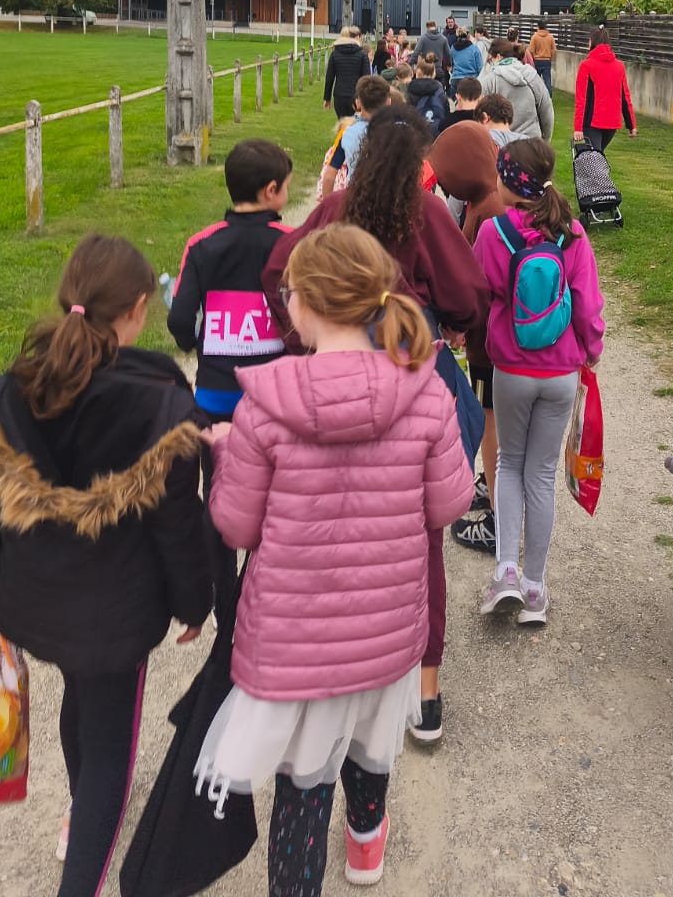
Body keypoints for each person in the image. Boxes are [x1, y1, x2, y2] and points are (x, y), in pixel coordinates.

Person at [199, 223, 472, 896]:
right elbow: (448, 504)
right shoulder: (426, 392)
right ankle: (366, 844)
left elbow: (236, 525)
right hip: (386, 628)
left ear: (303, 303)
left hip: (295, 640)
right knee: (371, 742)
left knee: (302, 781)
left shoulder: (265, 406)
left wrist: (228, 452)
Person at [0, 236, 211, 897]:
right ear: (136, 309)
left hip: (38, 607)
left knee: (81, 697)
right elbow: (178, 523)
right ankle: (85, 843)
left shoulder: (15, 387)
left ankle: (79, 809)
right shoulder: (160, 402)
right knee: (109, 762)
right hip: (115, 622)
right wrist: (195, 602)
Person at [263, 107, 488, 748]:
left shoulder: (334, 212)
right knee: (421, 531)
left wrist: (303, 337)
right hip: (410, 380)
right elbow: (469, 294)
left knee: (331, 523)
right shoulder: (428, 214)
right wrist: (447, 324)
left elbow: (278, 270)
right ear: (417, 162)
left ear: (362, 157)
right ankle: (425, 691)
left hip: (335, 383)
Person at [473, 140, 605, 623]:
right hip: (560, 372)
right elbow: (587, 304)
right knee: (542, 475)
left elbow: (478, 293)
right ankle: (534, 589)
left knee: (509, 463)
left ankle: (505, 572)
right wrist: (591, 349)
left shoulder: (493, 232)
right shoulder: (572, 233)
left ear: (508, 183)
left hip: (511, 368)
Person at [168, 140, 293, 601]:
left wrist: (197, 345)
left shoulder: (202, 244)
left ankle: (224, 603)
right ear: (271, 190)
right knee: (274, 494)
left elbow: (180, 319)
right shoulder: (290, 243)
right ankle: (255, 591)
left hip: (216, 396)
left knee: (218, 495)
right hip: (275, 397)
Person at [429, 122, 507, 554]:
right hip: (488, 341)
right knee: (490, 419)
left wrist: (459, 324)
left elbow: (476, 282)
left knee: (489, 423)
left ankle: (498, 515)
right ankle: (491, 485)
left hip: (486, 346)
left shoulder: (487, 210)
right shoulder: (486, 200)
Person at [320, 74, 392, 197]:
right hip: (388, 197)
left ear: (358, 102)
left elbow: (329, 176)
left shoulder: (348, 133)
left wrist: (328, 205)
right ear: (388, 101)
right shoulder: (398, 132)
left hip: (355, 197)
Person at [572, 26, 636, 152]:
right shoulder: (619, 66)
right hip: (612, 122)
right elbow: (625, 98)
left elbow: (581, 99)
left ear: (591, 41)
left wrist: (578, 127)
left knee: (595, 157)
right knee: (597, 155)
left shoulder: (586, 66)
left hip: (592, 122)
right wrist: (631, 125)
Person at [479, 38, 554, 141]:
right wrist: (546, 139)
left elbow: (478, 113)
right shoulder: (531, 75)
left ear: (498, 56)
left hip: (502, 143)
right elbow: (546, 109)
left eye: (490, 60)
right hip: (531, 142)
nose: (489, 63)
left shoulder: (490, 81)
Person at [323, 26, 371, 120]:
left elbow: (329, 78)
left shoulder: (335, 54)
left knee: (342, 122)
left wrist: (327, 98)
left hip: (340, 95)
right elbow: (366, 79)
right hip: (356, 96)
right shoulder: (362, 55)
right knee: (356, 123)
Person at [407, 53, 449, 138]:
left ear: (417, 72)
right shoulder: (439, 91)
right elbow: (446, 114)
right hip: (435, 134)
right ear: (434, 74)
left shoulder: (410, 90)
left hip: (415, 134)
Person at [411, 20, 453, 87]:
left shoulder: (423, 38)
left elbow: (416, 53)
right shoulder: (443, 38)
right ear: (435, 27)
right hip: (438, 70)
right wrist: (449, 64)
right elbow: (448, 54)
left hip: (426, 70)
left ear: (427, 27)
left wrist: (409, 64)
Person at [527, 19, 557, 96]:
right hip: (547, 60)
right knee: (547, 81)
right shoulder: (550, 37)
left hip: (537, 60)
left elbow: (531, 50)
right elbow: (554, 50)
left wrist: (534, 57)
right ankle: (549, 97)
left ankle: (536, 96)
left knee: (535, 81)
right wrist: (551, 59)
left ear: (538, 27)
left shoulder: (534, 37)